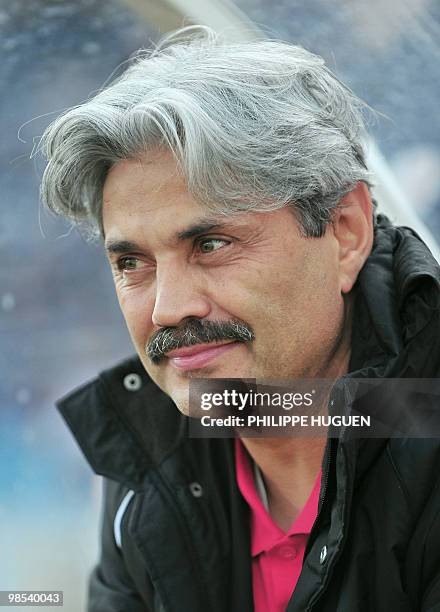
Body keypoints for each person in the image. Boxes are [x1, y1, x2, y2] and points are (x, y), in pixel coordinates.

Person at [40, 26, 440, 612]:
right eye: (132, 262)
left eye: (211, 244)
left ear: (345, 233)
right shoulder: (152, 458)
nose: (168, 308)